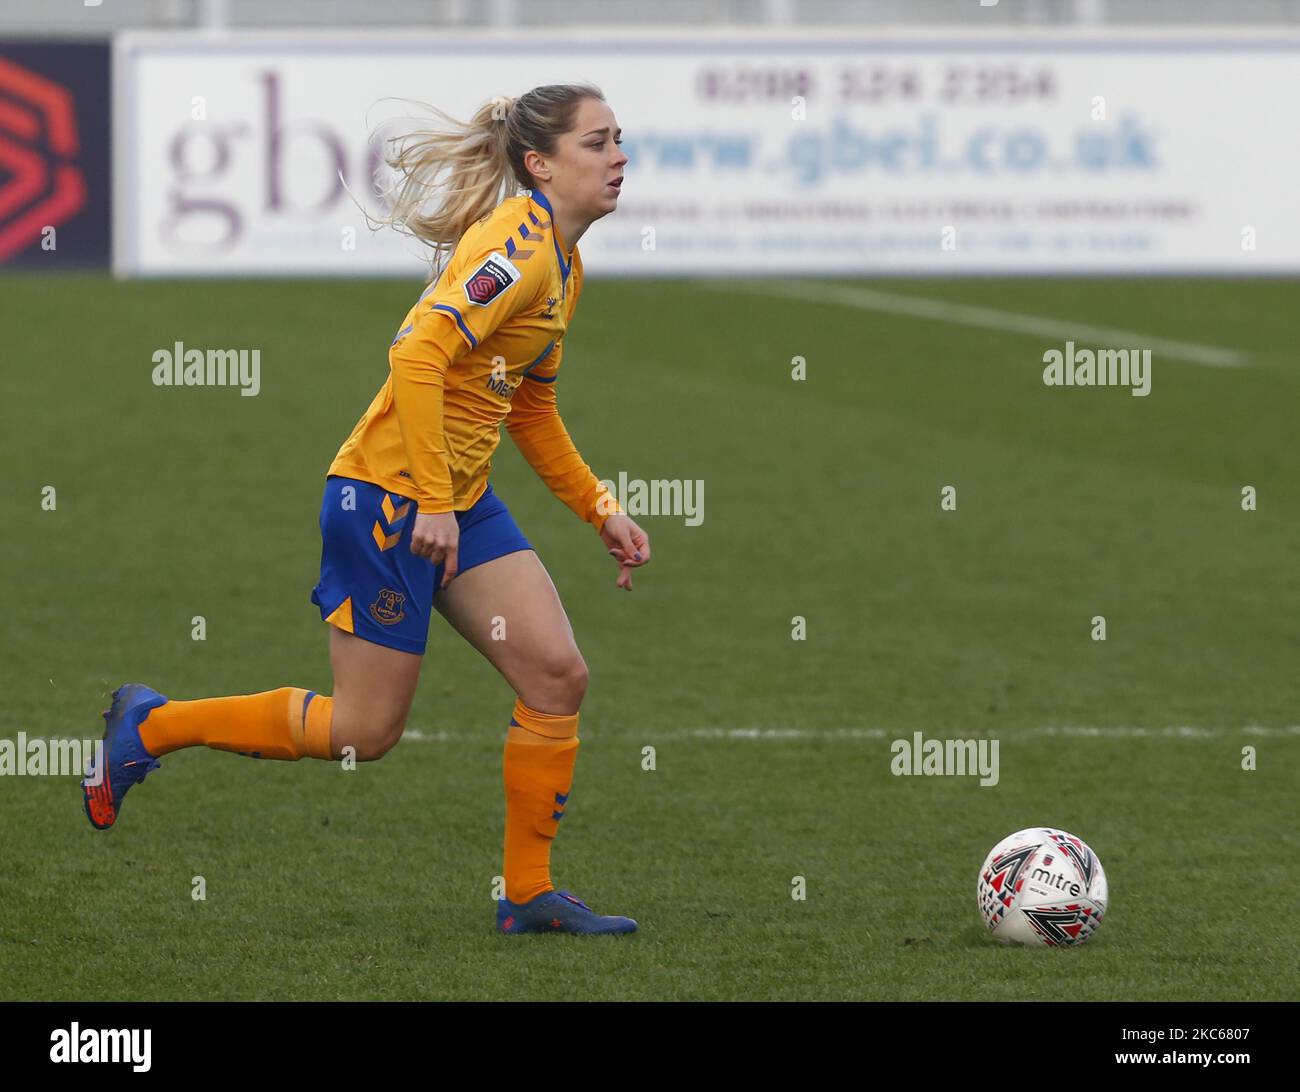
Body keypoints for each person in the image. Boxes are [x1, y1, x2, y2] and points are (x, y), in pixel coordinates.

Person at [81, 83, 649, 936]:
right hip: (389, 497)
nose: (618, 157)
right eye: (598, 143)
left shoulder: (564, 265)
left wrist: (597, 506)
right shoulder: (519, 249)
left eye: (618, 141)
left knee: (556, 675)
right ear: (541, 163)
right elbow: (416, 353)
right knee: (363, 732)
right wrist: (429, 498)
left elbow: (527, 407)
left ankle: (527, 893)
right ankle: (153, 725)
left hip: (457, 500)